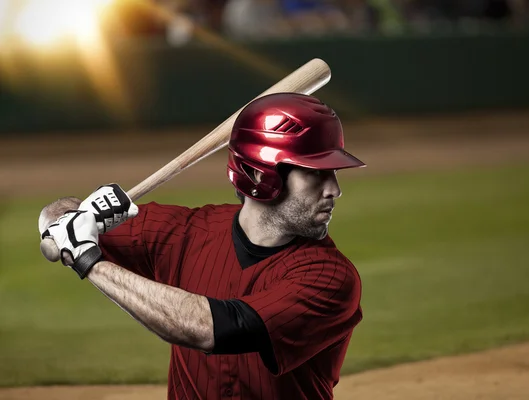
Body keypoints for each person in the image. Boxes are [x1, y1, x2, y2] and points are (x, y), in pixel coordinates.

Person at [38, 93, 366, 400]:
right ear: (260, 174)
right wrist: (78, 215)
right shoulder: (184, 231)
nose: (334, 190)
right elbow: (54, 217)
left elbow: (205, 328)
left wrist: (89, 261)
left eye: (333, 173)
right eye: (316, 174)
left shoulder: (331, 278)